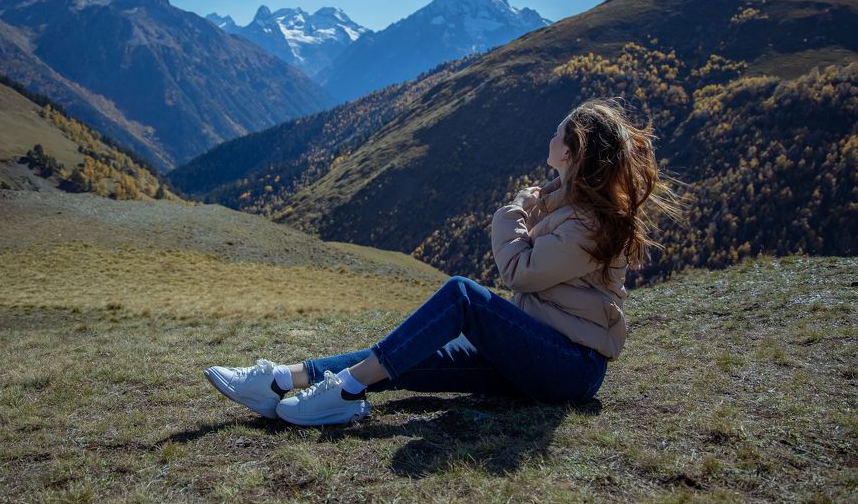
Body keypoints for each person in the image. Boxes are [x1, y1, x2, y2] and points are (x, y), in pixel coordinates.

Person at [204, 98, 683, 426]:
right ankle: (282, 378)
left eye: (559, 132)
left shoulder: (590, 222)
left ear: (573, 150)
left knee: (460, 293)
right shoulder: (565, 204)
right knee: (408, 357)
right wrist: (536, 205)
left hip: (567, 366)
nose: (550, 136)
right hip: (543, 351)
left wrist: (513, 211)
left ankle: (344, 392)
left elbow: (518, 272)